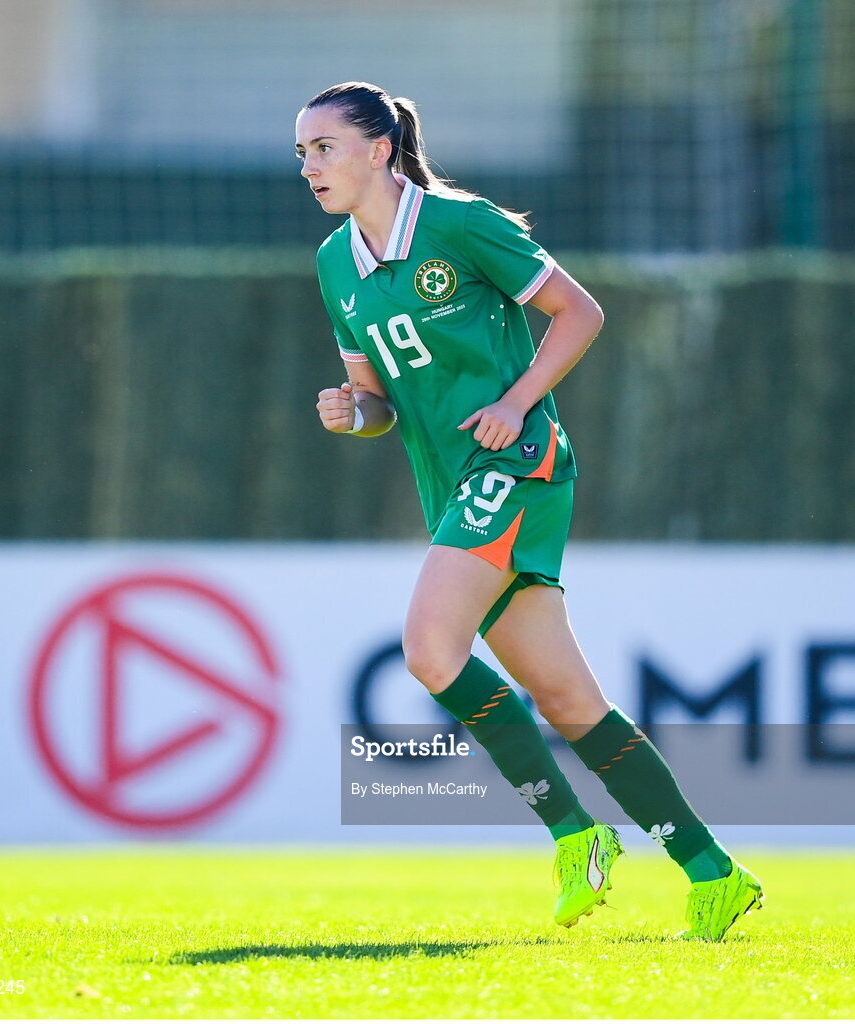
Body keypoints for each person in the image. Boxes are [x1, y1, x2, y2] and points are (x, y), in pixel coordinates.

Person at [299, 81, 763, 941]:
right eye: (301, 153)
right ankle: (712, 870)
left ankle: (575, 834)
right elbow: (377, 404)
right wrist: (349, 412)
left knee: (429, 649)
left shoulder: (459, 222)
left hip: (516, 464)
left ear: (378, 150)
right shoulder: (334, 264)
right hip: (453, 486)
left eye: (324, 147)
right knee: (561, 692)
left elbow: (578, 312)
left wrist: (517, 402)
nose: (309, 166)